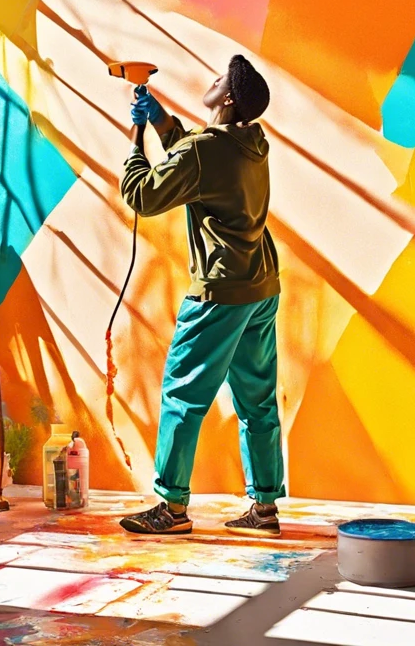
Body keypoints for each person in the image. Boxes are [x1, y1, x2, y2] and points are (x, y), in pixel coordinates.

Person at [117, 54, 284, 538]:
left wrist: (135, 139)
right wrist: (158, 116)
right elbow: (196, 150)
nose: (210, 82)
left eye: (218, 80)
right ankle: (265, 508)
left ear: (227, 98)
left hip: (220, 291)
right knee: (257, 401)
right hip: (259, 285)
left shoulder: (207, 151)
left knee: (182, 395)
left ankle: (170, 507)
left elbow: (143, 196)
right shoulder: (251, 143)